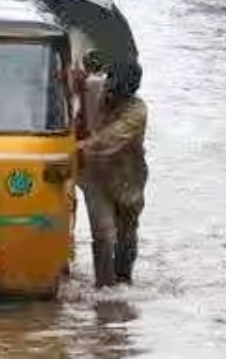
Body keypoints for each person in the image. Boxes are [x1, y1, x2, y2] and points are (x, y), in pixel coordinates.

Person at [75, 51, 148, 289]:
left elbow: (111, 138)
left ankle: (124, 280)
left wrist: (79, 146)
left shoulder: (137, 111)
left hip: (128, 178)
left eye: (118, 91)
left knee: (126, 235)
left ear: (130, 91)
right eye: (110, 85)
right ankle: (104, 289)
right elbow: (74, 80)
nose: (111, 93)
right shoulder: (95, 87)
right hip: (93, 175)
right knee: (104, 234)